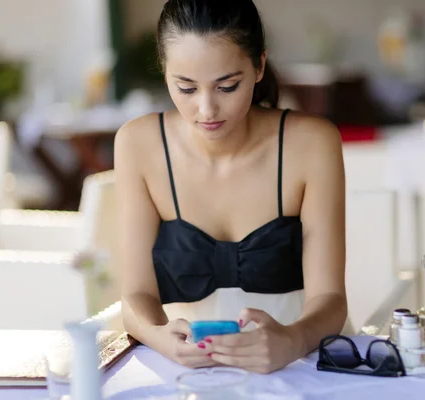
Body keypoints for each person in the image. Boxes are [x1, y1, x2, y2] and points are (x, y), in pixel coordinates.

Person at [114, 0, 346, 374]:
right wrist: (160, 338)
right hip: (184, 374)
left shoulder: (312, 144)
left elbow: (331, 300)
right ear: (164, 71)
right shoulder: (138, 144)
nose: (207, 110)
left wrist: (292, 341)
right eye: (186, 88)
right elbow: (135, 297)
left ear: (259, 66)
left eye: (227, 86)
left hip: (299, 367)